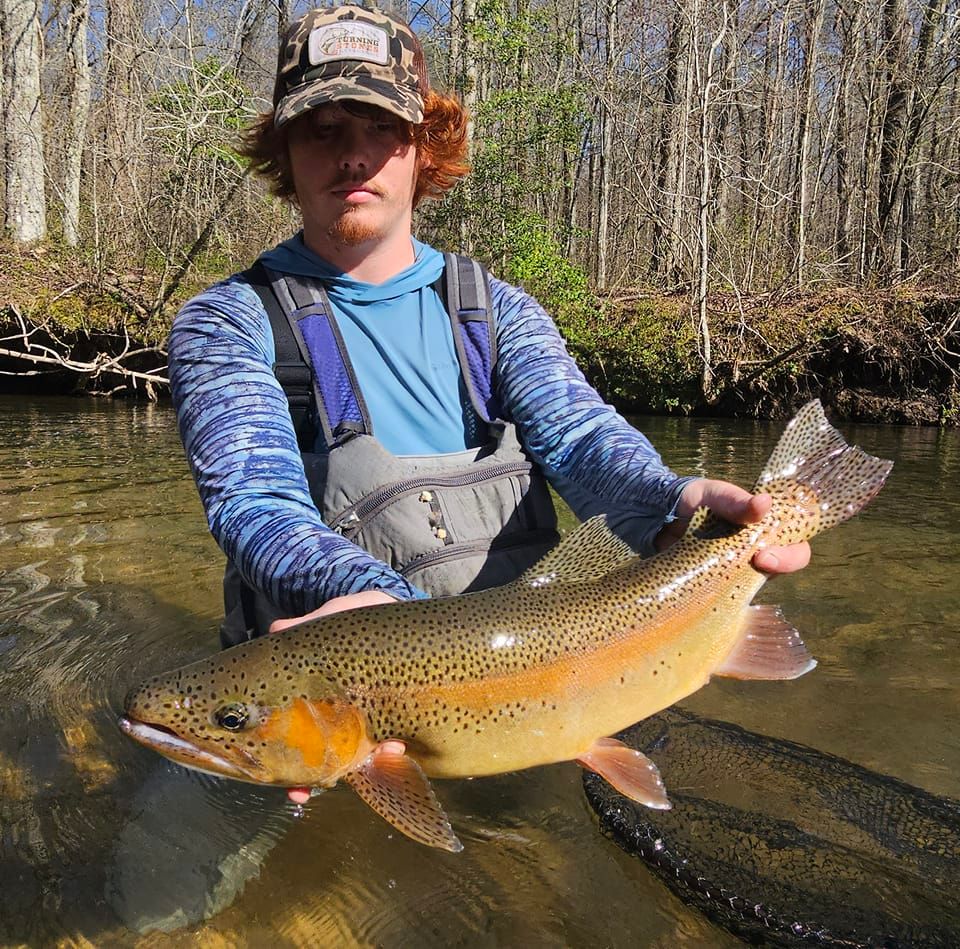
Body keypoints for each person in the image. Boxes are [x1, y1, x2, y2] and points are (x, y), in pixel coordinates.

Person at [169, 3, 809, 693]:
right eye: (322, 130)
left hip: (530, 673)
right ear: (285, 154)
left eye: (381, 125)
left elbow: (580, 441)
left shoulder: (496, 311)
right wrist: (375, 610)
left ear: (423, 146)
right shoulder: (227, 323)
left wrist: (670, 501)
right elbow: (256, 502)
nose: (352, 153)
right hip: (337, 684)